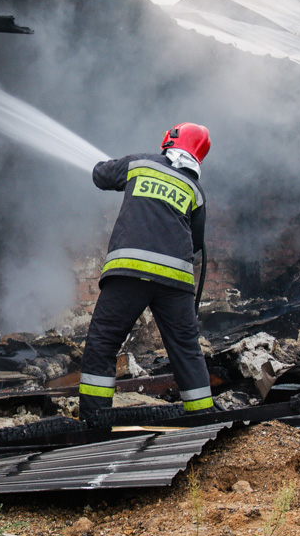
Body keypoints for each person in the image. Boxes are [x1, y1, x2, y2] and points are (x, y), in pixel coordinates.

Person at [78, 122, 212, 425]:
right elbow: (197, 240)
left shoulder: (139, 163)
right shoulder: (195, 190)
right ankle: (204, 419)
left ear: (170, 140)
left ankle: (95, 421)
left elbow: (102, 175)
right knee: (186, 350)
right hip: (175, 282)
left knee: (103, 343)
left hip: (129, 274)